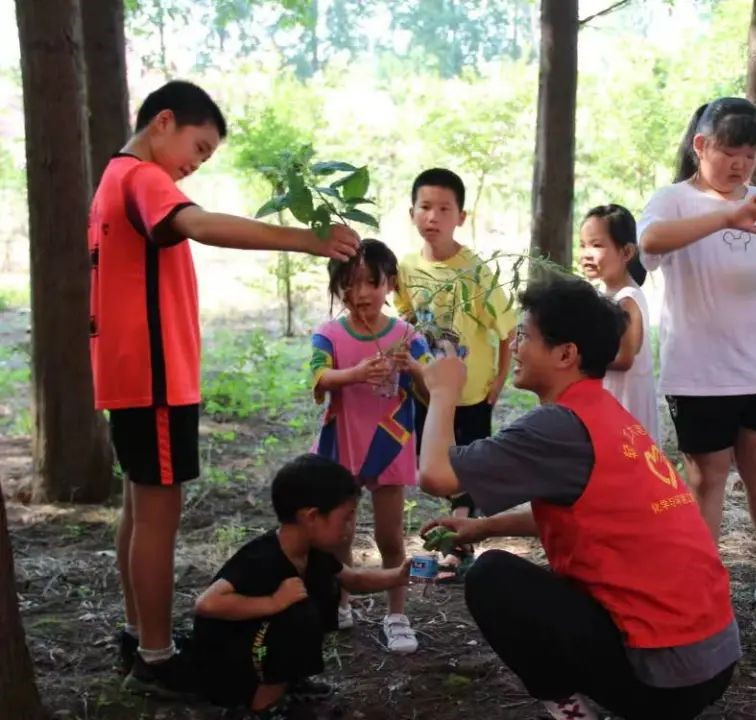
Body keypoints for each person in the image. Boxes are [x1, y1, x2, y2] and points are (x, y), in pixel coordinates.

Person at [88, 80, 359, 697]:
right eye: (198, 145)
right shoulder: (142, 178)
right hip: (155, 376)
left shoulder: (115, 178)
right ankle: (157, 658)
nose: (195, 162)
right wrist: (307, 240)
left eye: (206, 155)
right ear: (163, 122)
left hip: (134, 373)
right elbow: (203, 225)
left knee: (139, 507)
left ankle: (139, 636)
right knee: (158, 513)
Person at [418, 275, 740, 720]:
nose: (516, 347)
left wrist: (442, 391)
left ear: (566, 354)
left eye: (526, 337)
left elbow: (436, 476)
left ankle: (572, 709)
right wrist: (482, 526)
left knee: (491, 576)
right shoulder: (608, 415)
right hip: (713, 659)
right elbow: (588, 510)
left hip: (663, 680)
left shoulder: (557, 427)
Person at [638, 97, 756, 627]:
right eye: (730, 152)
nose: (740, 165)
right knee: (706, 480)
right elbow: (647, 244)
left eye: (750, 154)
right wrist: (725, 216)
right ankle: (702, 587)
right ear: (701, 146)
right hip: (698, 371)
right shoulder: (671, 200)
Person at [192, 454, 409, 719]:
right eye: (347, 517)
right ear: (312, 516)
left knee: (316, 593)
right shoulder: (261, 558)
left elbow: (353, 580)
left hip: (258, 649)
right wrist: (272, 603)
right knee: (295, 613)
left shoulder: (313, 551)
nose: (350, 527)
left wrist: (399, 576)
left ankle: (288, 683)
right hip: (226, 664)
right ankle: (263, 708)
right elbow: (207, 604)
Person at [393, 168, 516, 574]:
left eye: (444, 209)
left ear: (461, 217)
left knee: (467, 465)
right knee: (430, 462)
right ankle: (454, 528)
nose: (433, 217)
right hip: (426, 388)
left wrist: (498, 381)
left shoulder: (476, 271)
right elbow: (406, 320)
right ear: (411, 212)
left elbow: (507, 330)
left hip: (471, 392)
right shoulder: (406, 269)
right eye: (425, 207)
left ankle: (460, 544)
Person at [310, 238, 430, 653]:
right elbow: (319, 378)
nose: (360, 293)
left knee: (389, 534)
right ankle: (340, 601)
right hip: (342, 442)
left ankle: (396, 614)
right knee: (339, 530)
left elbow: (433, 385)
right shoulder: (327, 334)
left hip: (390, 444)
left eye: (370, 283)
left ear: (390, 284)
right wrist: (356, 373)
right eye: (349, 282)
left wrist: (413, 368)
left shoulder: (407, 334)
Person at [578, 204, 660, 440]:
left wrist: (579, 359)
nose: (586, 254)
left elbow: (624, 359)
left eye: (597, 245)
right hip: (608, 401)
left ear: (626, 252)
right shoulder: (600, 294)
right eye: (583, 245)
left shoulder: (627, 299)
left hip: (626, 404)